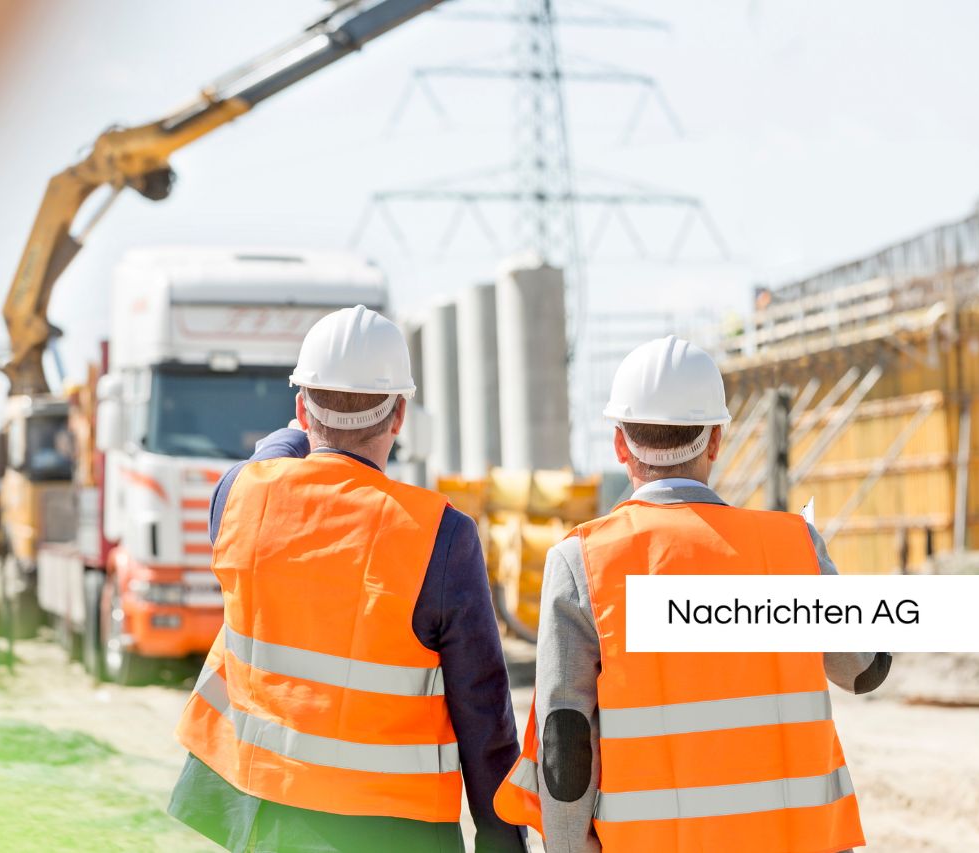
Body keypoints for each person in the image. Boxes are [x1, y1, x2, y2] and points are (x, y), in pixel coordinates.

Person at [494, 335, 891, 853]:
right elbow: (865, 669)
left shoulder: (583, 562)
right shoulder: (793, 546)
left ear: (620, 445)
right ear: (715, 441)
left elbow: (565, 739)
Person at [170, 305, 527, 853]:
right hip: (396, 830)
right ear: (399, 415)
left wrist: (300, 434)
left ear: (300, 407)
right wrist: (502, 838)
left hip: (265, 816)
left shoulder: (240, 495)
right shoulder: (441, 536)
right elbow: (483, 708)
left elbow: (271, 454)